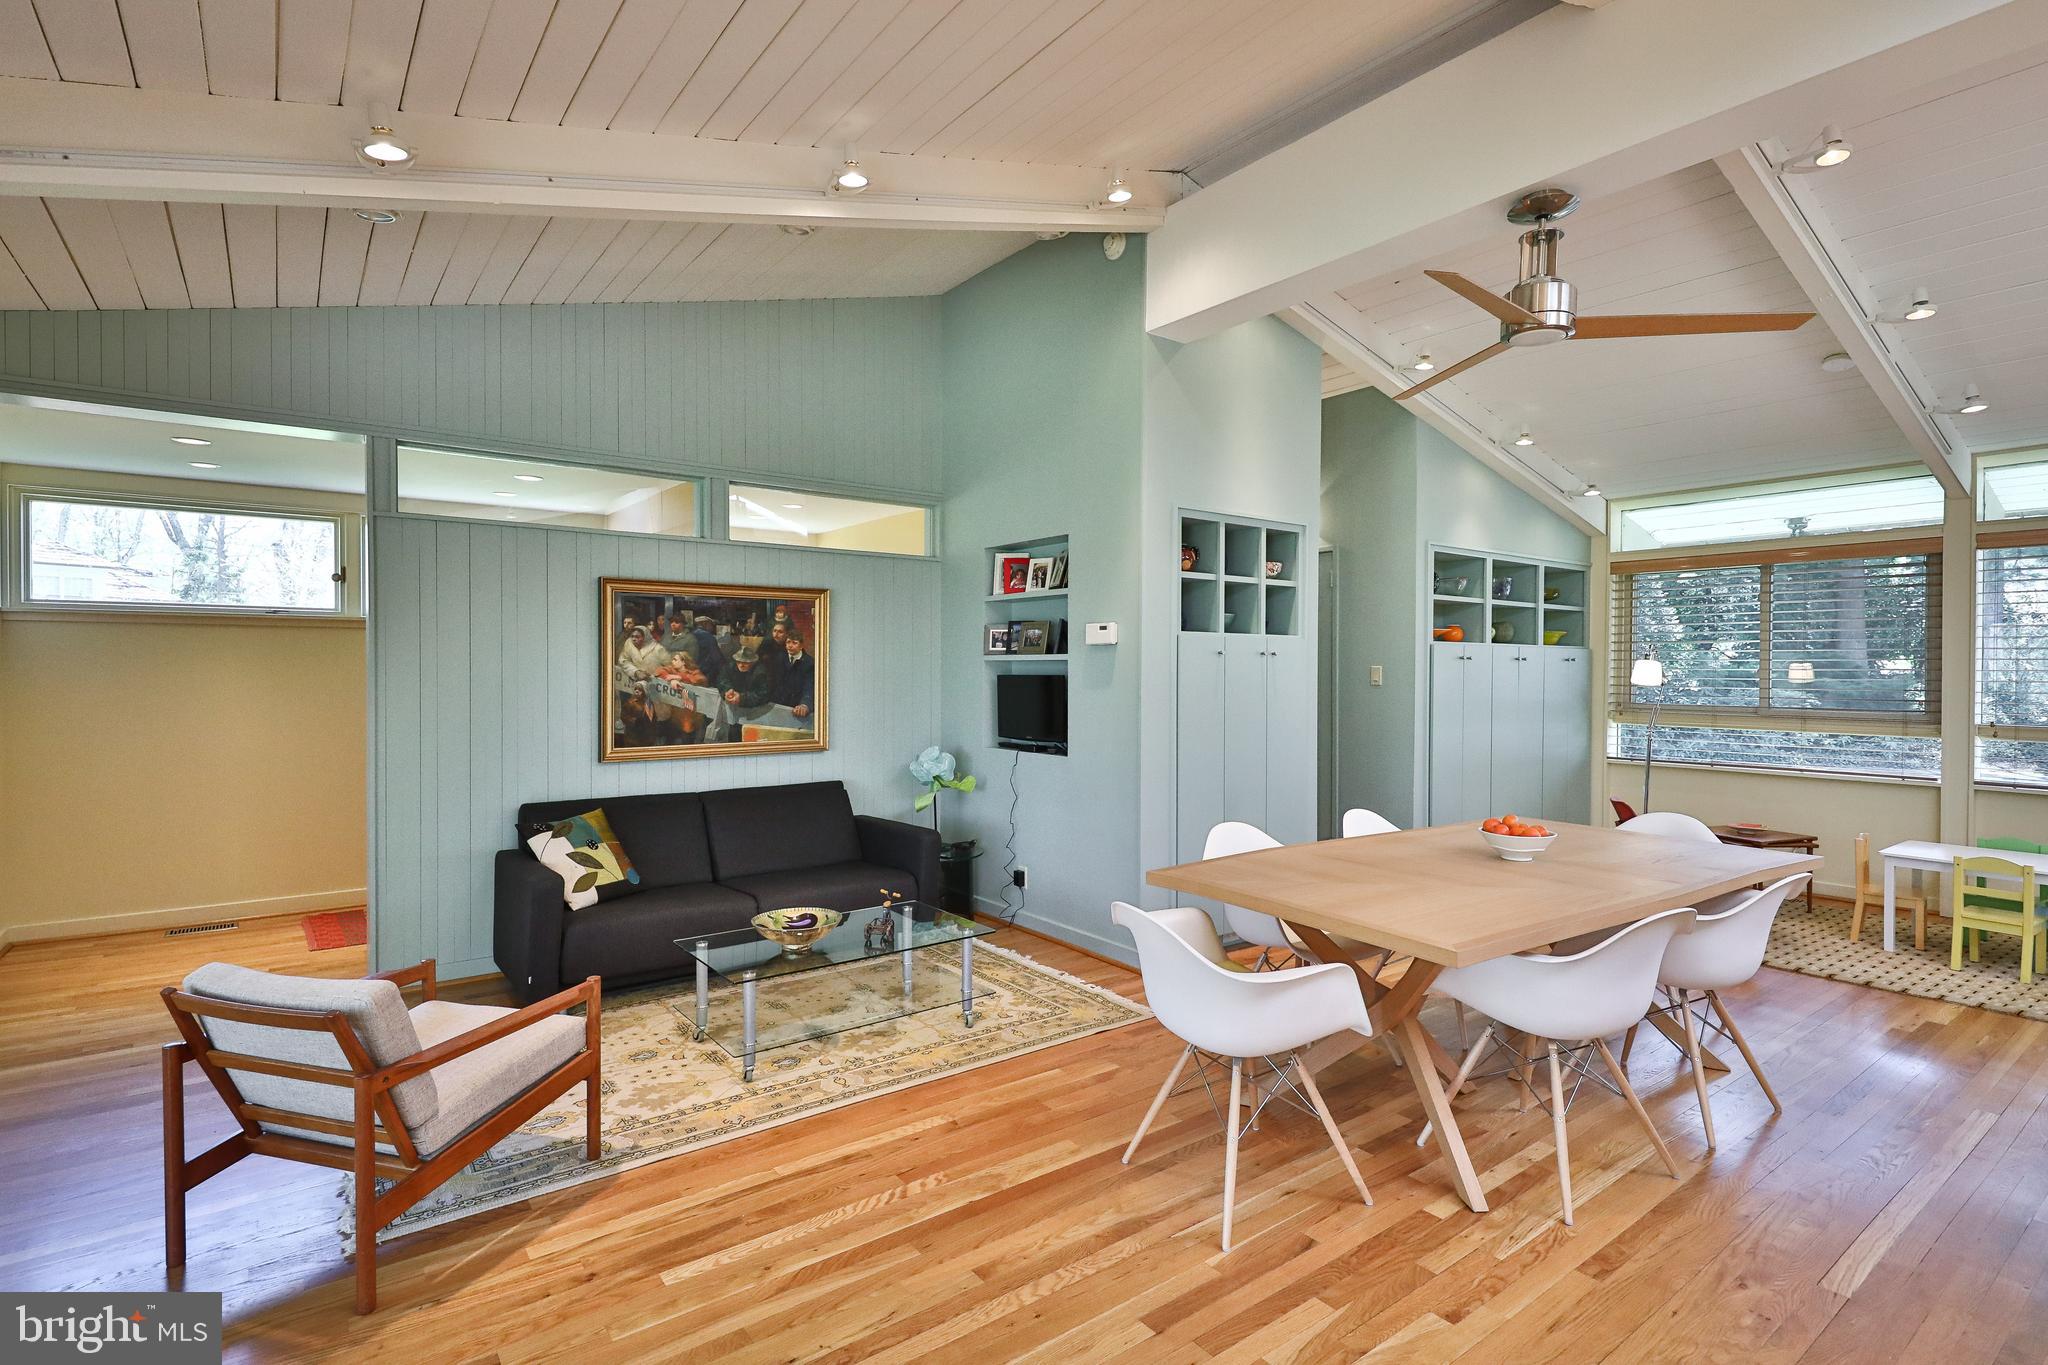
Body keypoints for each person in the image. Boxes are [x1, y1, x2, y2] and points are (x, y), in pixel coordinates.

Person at [773, 633, 815, 719]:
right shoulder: (780, 658)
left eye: (794, 643)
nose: (790, 646)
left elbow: (810, 687)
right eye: (788, 642)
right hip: (780, 707)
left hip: (798, 708)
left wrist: (805, 704)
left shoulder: (809, 663)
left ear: (801, 646)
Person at [720, 643, 771, 711]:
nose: (741, 665)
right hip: (732, 706)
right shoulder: (730, 667)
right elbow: (722, 680)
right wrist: (728, 690)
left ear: (752, 662)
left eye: (745, 662)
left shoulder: (760, 673)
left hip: (755, 711)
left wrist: (742, 698)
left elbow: (763, 695)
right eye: (739, 661)